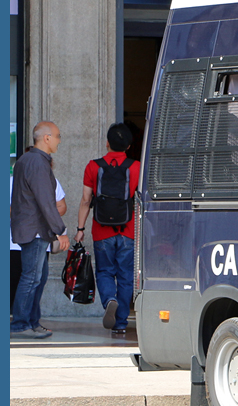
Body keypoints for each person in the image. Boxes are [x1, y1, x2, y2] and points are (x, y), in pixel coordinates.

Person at [75, 123, 140, 337]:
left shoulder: (93, 167)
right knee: (125, 276)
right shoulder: (136, 167)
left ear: (107, 143)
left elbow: (86, 200)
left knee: (104, 271)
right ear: (129, 146)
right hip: (128, 230)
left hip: (102, 230)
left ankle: (109, 299)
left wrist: (80, 228)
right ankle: (121, 322)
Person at [10, 121, 70, 339]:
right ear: (46, 138)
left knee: (39, 277)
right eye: (57, 136)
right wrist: (60, 230)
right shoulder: (36, 162)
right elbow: (46, 201)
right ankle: (20, 324)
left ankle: (32, 322)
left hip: (32, 229)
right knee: (32, 277)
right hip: (34, 230)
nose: (59, 141)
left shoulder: (27, 160)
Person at [10, 163, 67, 310]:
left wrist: (46, 214)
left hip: (41, 239)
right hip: (14, 242)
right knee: (21, 280)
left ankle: (30, 320)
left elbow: (61, 206)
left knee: (38, 281)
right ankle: (21, 321)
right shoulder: (11, 182)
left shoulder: (50, 182)